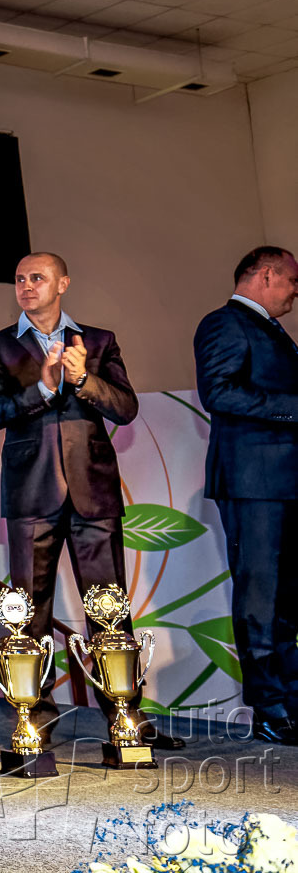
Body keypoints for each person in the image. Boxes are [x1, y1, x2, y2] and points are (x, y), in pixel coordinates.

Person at [0, 253, 182, 750]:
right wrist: (44, 388)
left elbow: (126, 408)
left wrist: (84, 380)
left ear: (63, 283)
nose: (27, 285)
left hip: (94, 490)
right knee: (28, 614)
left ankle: (126, 715)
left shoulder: (99, 340)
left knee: (109, 607)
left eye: (38, 277)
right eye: (20, 279)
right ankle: (34, 719)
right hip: (31, 493)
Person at [193, 246, 298, 745]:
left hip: (282, 484)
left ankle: (290, 701)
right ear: (267, 275)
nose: (295, 291)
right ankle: (269, 709)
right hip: (253, 483)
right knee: (260, 599)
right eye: (292, 280)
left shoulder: (272, 330)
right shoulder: (224, 323)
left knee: (286, 600)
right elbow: (219, 392)